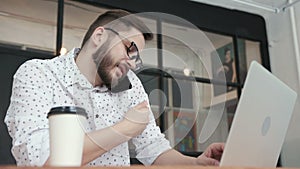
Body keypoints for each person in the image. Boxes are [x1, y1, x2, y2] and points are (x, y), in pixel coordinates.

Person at [4, 9, 224, 167]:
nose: (132, 63)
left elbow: (154, 150)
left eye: (136, 58)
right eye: (130, 49)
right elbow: (44, 159)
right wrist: (125, 128)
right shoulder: (38, 74)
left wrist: (197, 163)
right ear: (100, 36)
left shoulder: (130, 86)